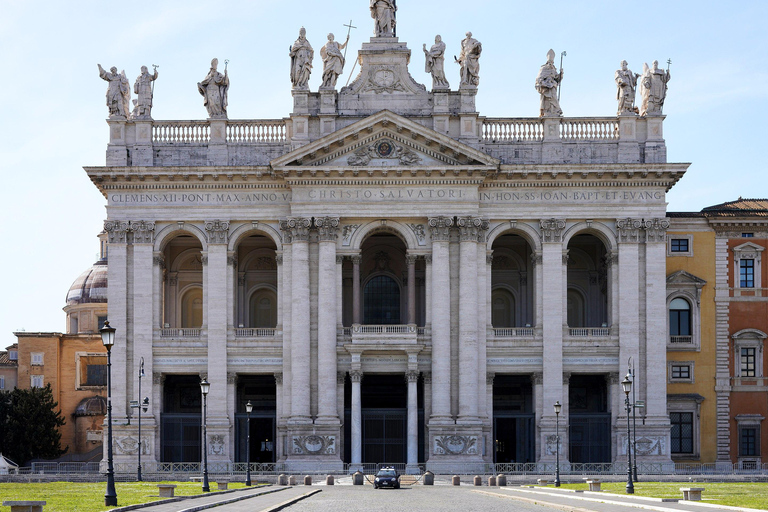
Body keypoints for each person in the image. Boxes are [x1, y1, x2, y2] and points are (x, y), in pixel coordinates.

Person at [535, 49, 563, 117]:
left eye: (552, 62)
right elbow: (538, 79)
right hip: (546, 88)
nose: (551, 64)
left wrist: (561, 74)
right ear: (547, 62)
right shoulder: (543, 68)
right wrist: (545, 83)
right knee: (550, 98)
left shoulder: (553, 69)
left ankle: (555, 110)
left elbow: (557, 79)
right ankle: (553, 111)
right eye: (550, 62)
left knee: (553, 95)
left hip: (552, 86)